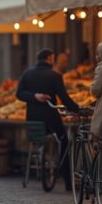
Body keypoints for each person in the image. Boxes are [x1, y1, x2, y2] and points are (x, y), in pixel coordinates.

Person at [17, 49, 79, 190]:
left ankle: (39, 160)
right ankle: (68, 181)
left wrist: (34, 96)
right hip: (51, 119)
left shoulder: (27, 73)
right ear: (50, 58)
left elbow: (19, 94)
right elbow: (64, 98)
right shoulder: (55, 76)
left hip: (32, 120)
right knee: (64, 140)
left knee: (38, 141)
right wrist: (77, 108)